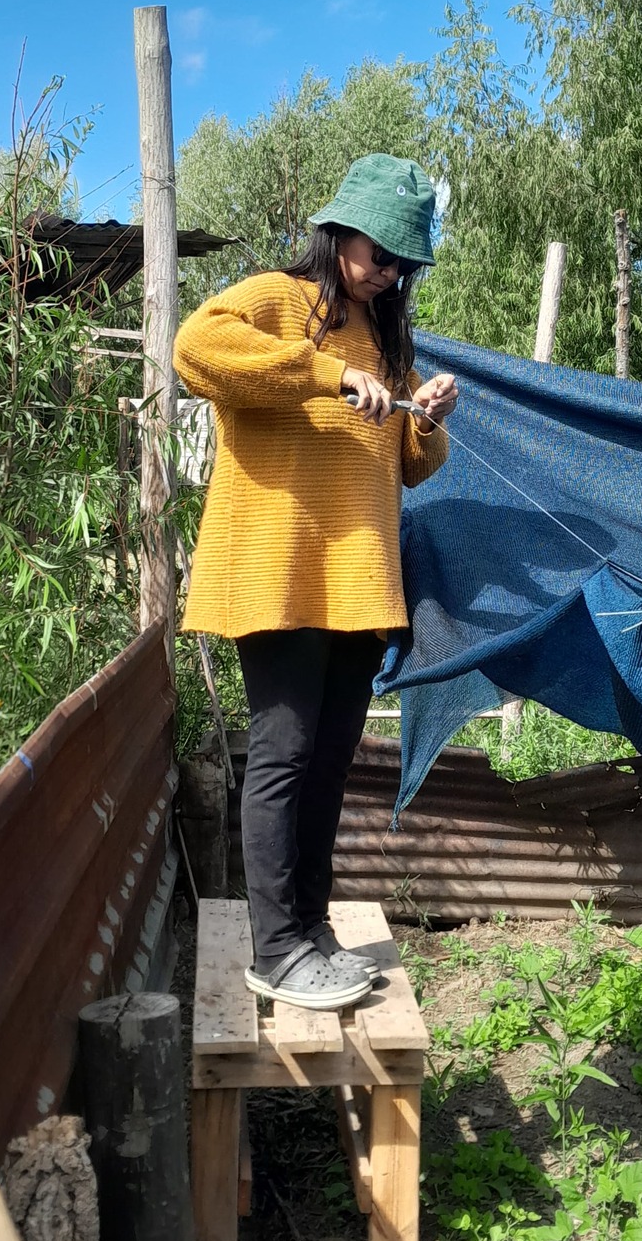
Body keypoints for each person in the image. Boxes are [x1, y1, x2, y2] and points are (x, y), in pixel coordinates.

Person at [174, 154, 458, 1010]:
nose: (389, 272)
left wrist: (425, 419)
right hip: (279, 573)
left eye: (403, 263)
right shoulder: (275, 299)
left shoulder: (386, 340)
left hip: (356, 584)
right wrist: (327, 372)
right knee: (284, 756)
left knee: (329, 763)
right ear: (340, 233)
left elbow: (407, 466)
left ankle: (307, 928)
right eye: (380, 253)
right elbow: (195, 351)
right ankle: (276, 951)